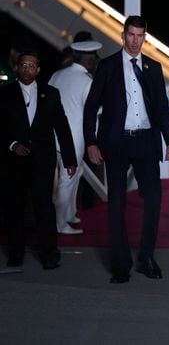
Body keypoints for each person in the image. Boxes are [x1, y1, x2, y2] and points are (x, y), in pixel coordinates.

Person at [84, 16, 169, 284]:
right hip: (116, 142)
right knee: (116, 203)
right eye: (131, 35)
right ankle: (121, 264)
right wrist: (91, 142)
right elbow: (91, 107)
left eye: (140, 36)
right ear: (123, 35)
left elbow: (161, 107)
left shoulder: (153, 67)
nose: (135, 41)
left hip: (146, 141)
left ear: (144, 38)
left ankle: (147, 257)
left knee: (154, 200)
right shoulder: (108, 66)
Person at [0, 50, 77, 269]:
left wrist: (70, 159)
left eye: (32, 66)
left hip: (43, 161)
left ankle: (49, 254)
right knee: (14, 208)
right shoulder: (5, 95)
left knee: (44, 207)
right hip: (14, 162)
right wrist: (12, 144)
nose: (27, 69)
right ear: (17, 68)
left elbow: (62, 127)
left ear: (38, 70)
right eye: (23, 65)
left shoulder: (51, 94)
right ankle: (16, 254)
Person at [48, 37, 102, 235]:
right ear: (89, 62)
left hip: (51, 136)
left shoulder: (57, 74)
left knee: (69, 176)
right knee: (66, 179)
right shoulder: (87, 81)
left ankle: (69, 213)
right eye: (94, 60)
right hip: (74, 139)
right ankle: (60, 224)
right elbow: (95, 111)